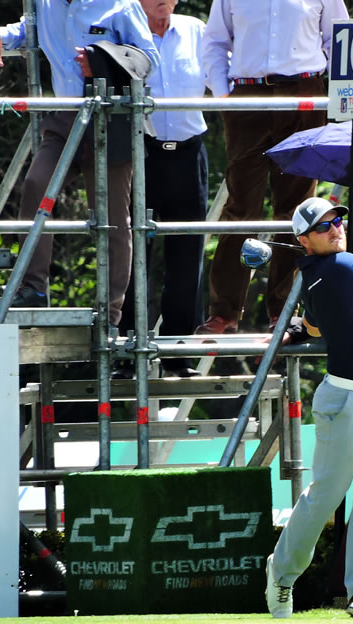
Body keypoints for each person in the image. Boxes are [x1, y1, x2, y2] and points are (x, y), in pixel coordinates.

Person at [0, 0, 160, 325]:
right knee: (36, 185)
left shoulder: (121, 4)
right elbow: (27, 29)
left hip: (110, 116)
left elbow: (148, 59)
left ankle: (110, 313)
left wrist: (102, 60)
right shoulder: (45, 3)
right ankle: (33, 288)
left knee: (114, 217)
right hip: (65, 116)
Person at [266, 197, 353, 620]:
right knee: (325, 497)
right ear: (304, 240)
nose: (334, 228)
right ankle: (281, 573)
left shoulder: (321, 272)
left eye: (337, 221)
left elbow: (312, 326)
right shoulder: (339, 267)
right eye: (323, 226)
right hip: (347, 400)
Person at [197, 0, 347, 334]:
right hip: (247, 95)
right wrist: (224, 96)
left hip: (305, 94)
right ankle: (224, 313)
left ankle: (283, 310)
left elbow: (339, 42)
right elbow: (215, 42)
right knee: (240, 207)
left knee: (296, 209)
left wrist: (336, 96)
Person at [116, 0, 208, 378]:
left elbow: (226, 72)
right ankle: (127, 353)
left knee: (187, 258)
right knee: (133, 255)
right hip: (142, 152)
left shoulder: (197, 31)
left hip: (189, 152)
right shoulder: (123, 28)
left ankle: (177, 355)